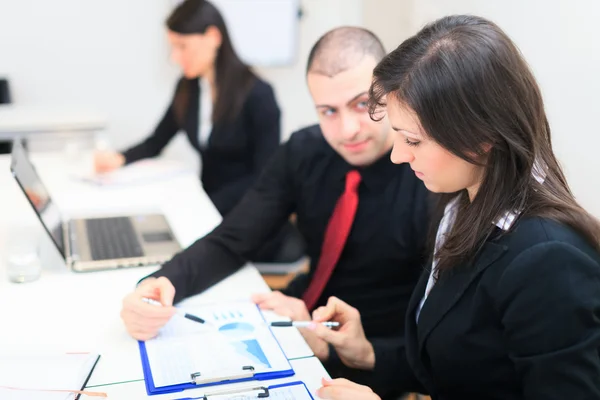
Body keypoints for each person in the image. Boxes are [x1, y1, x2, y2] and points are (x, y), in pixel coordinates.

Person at [120, 27, 430, 399]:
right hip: (301, 316)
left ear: (389, 95)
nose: (347, 130)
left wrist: (338, 349)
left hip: (375, 353)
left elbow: (437, 338)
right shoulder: (304, 151)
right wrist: (161, 284)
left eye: (362, 104)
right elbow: (234, 238)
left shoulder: (426, 173)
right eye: (328, 111)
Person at [309, 15, 600, 400]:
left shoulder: (549, 260)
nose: (397, 156)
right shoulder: (459, 204)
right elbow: (459, 369)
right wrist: (367, 354)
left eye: (412, 141)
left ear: (480, 137)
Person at [94, 0, 300, 263]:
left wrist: (200, 204)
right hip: (207, 212)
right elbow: (156, 141)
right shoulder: (188, 87)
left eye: (182, 46)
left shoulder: (258, 95)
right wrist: (119, 158)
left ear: (213, 37)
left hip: (247, 221)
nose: (175, 57)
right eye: (172, 47)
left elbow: (263, 177)